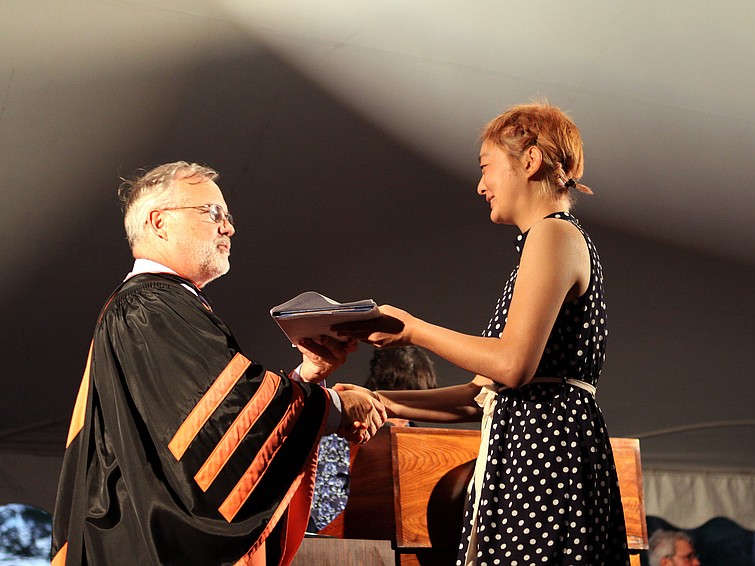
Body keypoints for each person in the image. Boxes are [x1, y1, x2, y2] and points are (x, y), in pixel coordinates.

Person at [334, 102, 630, 564]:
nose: (480, 185)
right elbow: (482, 396)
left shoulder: (553, 236)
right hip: (526, 458)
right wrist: (383, 402)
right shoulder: (544, 243)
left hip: (546, 466)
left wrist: (414, 330)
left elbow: (512, 365)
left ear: (529, 161)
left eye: (486, 167)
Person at [50, 162, 386, 566]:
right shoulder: (151, 306)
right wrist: (331, 408)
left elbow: (218, 410)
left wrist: (305, 378)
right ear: (159, 223)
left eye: (227, 217)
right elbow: (220, 422)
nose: (228, 228)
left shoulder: (157, 304)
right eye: (212, 213)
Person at [309, 346, 438, 531]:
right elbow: (325, 505)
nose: (404, 414)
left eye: (415, 396)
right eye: (400, 394)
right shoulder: (345, 431)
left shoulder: (420, 440)